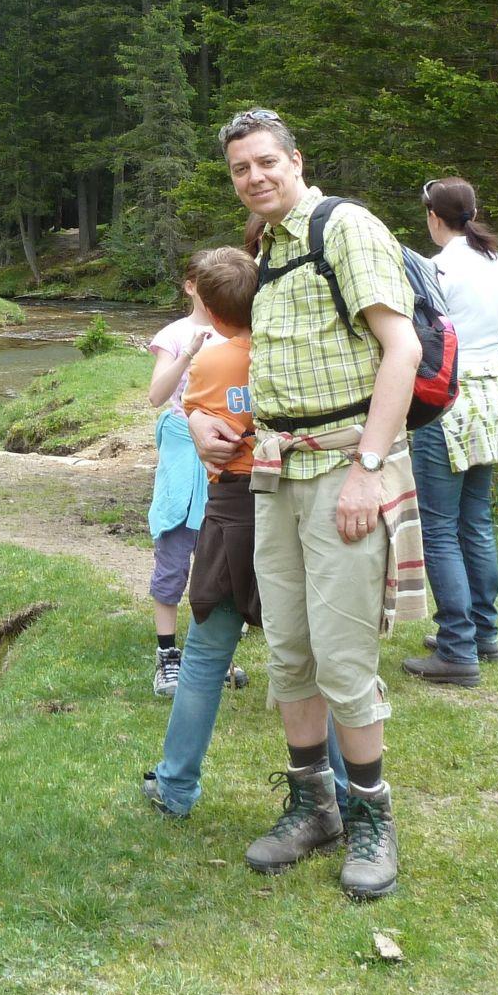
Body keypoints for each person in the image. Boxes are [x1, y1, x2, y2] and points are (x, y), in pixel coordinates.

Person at [196, 107, 422, 901]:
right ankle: (312, 807)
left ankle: (371, 818)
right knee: (289, 650)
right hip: (275, 471)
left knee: (343, 657)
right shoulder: (267, 248)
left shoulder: (345, 228)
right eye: (240, 168)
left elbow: (403, 349)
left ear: (295, 159)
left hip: (343, 470)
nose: (254, 177)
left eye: (266, 161)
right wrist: (210, 425)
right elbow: (274, 362)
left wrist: (368, 469)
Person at [143, 244, 349, 818]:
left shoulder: (210, 361)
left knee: (207, 653)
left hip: (232, 510)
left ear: (207, 308)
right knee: (309, 657)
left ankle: (175, 786)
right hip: (294, 501)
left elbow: (186, 410)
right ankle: (342, 791)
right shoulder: (289, 352)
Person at [399, 176, 498, 686]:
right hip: (491, 397)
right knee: (475, 521)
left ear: (433, 216)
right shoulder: (496, 263)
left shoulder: (435, 269)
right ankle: (483, 633)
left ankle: (456, 648)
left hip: (447, 399)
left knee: (439, 527)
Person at [143, 256, 220, 696]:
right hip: (180, 449)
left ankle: (212, 654)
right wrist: (189, 351)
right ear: (190, 286)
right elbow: (156, 395)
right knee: (174, 551)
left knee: (221, 559)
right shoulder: (172, 335)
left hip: (227, 452)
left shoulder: (240, 331)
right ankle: (167, 655)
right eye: (206, 284)